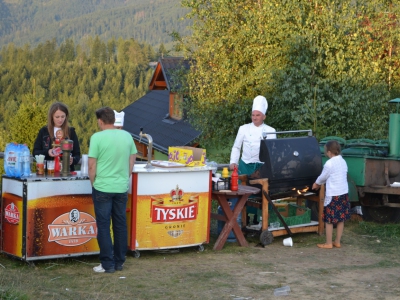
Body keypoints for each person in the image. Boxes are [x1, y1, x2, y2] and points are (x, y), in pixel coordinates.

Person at [89, 107, 137, 273]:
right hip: (121, 187)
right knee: (120, 224)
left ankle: (107, 264)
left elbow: (91, 165)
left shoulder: (97, 138)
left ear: (101, 121)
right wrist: (125, 177)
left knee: (103, 226)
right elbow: (131, 162)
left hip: (102, 187)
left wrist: (93, 183)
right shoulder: (127, 136)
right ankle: (119, 262)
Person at [312, 140, 350, 249]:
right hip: (343, 193)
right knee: (340, 219)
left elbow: (323, 177)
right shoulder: (343, 161)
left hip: (334, 194)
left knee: (329, 219)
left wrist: (316, 184)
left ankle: (328, 243)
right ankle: (337, 241)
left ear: (329, 152)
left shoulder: (329, 163)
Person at [229, 95, 277, 175]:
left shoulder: (271, 131)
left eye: (258, 115)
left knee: (261, 187)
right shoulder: (243, 128)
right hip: (245, 165)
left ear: (264, 117)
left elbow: (273, 152)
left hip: (262, 167)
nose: (254, 118)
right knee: (242, 187)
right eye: (253, 115)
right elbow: (236, 147)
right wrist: (233, 161)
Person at [33, 102, 81, 171]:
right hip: (48, 173)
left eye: (63, 116)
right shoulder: (44, 132)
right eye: (57, 117)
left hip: (67, 173)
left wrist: (73, 160)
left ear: (66, 116)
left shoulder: (71, 132)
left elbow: (77, 154)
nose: (60, 120)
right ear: (51, 117)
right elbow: (35, 152)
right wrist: (48, 152)